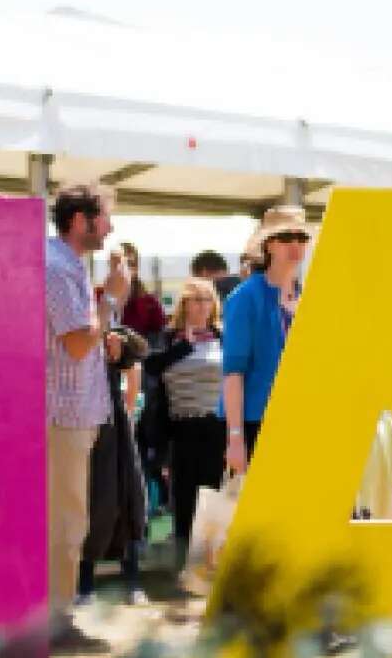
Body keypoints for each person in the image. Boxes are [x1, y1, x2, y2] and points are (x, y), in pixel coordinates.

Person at [45, 184, 120, 629]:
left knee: (68, 517)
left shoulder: (65, 265)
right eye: (106, 217)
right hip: (63, 416)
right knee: (66, 520)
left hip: (73, 414)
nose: (110, 226)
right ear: (80, 221)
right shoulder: (57, 267)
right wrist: (111, 297)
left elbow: (78, 341)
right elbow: (76, 342)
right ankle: (56, 619)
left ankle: (57, 613)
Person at [222, 205, 311, 474]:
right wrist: (235, 438)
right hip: (255, 423)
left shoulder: (307, 297)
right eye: (285, 237)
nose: (295, 244)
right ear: (268, 245)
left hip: (300, 421)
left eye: (301, 237)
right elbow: (233, 372)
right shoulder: (244, 297)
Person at [144, 278, 226, 564]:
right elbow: (151, 367)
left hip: (216, 426)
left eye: (207, 299)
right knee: (185, 497)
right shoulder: (170, 338)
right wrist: (184, 346)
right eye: (197, 299)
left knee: (214, 495)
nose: (203, 305)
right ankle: (185, 565)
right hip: (180, 427)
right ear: (185, 304)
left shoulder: (222, 336)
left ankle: (210, 566)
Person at [81, 326, 150, 604]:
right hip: (82, 425)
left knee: (131, 499)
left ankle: (132, 582)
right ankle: (84, 585)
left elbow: (137, 351)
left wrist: (118, 343)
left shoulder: (104, 323)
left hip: (115, 425)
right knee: (93, 504)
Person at [114, 242, 168, 344]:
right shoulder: (96, 297)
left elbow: (159, 337)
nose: (124, 269)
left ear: (136, 268)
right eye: (118, 263)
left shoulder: (149, 302)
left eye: (130, 264)